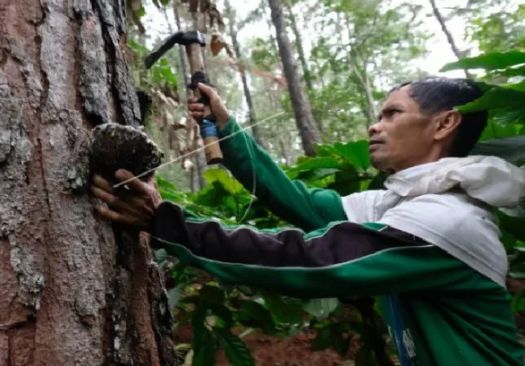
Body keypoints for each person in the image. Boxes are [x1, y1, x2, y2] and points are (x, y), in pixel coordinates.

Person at [91, 78, 525, 365]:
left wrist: (168, 223)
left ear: (445, 123)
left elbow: (311, 261)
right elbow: (301, 203)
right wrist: (227, 127)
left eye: (392, 114)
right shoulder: (408, 201)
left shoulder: (448, 221)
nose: (375, 127)